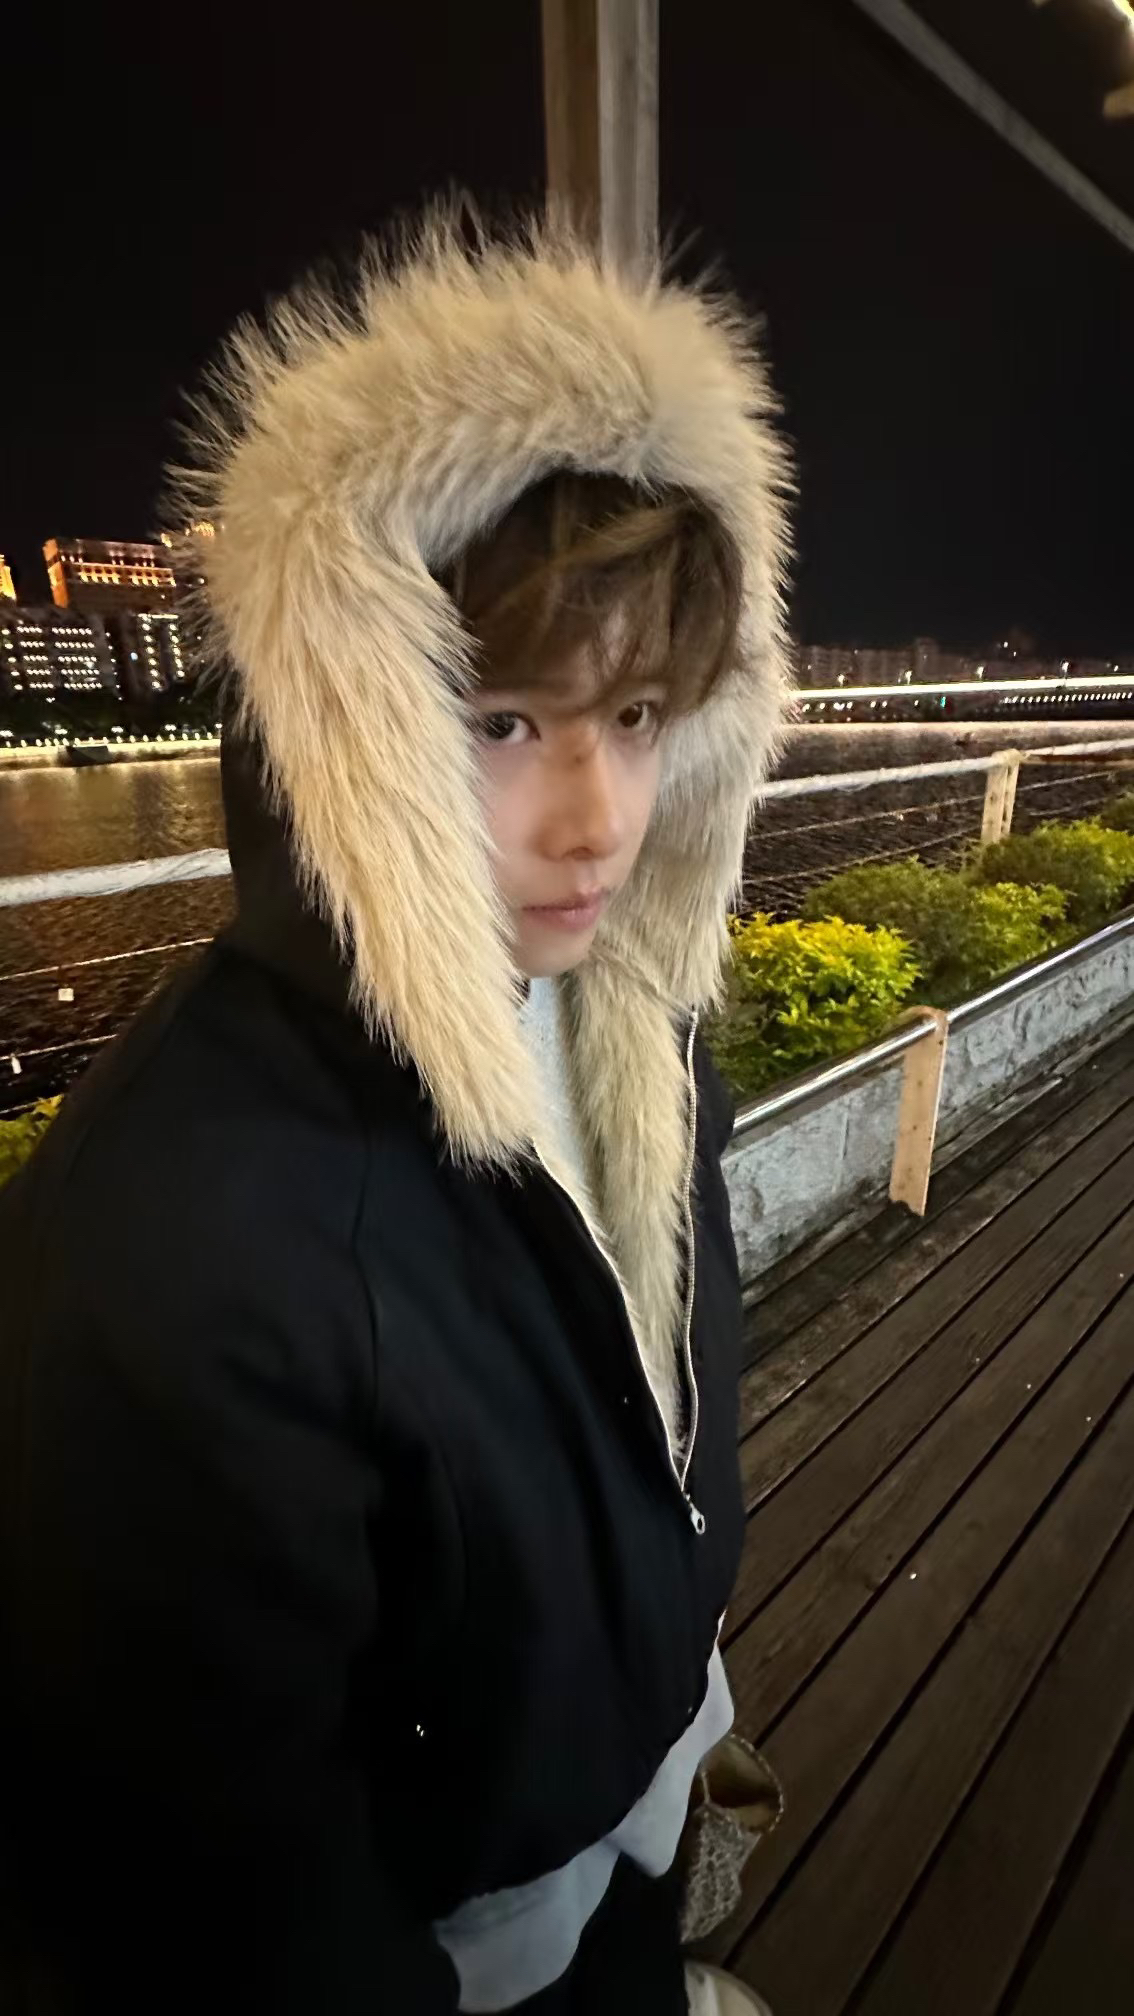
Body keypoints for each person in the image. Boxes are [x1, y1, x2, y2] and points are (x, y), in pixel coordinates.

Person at [0, 214, 791, 2013]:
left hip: (625, 1842)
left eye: (639, 713)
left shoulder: (624, 1023)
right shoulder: (172, 1245)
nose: (598, 820)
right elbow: (214, 1906)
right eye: (502, 721)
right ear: (341, 722)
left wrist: (673, 1704)